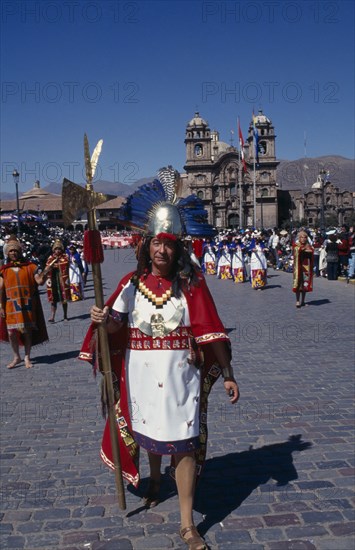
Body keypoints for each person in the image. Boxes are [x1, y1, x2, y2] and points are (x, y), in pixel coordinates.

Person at [80, 169, 239, 550]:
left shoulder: (192, 285)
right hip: (140, 374)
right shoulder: (130, 286)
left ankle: (187, 524)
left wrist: (229, 374)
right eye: (156, 243)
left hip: (181, 378)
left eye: (168, 244)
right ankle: (153, 479)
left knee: (183, 442)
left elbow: (211, 329)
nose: (161, 251)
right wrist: (104, 319)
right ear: (145, 244)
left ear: (178, 247)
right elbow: (116, 324)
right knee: (149, 434)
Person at [0, 238, 48, 369]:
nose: (13, 253)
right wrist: (1, 306)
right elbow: (1, 289)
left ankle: (27, 357)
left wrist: (45, 272)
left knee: (27, 331)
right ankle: (16, 356)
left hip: (27, 304)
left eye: (16, 250)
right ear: (7, 254)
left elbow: (39, 282)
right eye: (11, 251)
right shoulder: (3, 270)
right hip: (11, 305)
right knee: (11, 332)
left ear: (20, 252)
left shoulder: (30, 267)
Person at [44, 239, 71, 322]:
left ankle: (65, 315)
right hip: (53, 280)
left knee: (64, 299)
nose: (57, 251)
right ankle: (52, 316)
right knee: (53, 299)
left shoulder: (65, 256)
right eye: (56, 249)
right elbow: (47, 266)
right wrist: (52, 266)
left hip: (62, 280)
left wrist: (58, 264)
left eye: (59, 249)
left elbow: (66, 263)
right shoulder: (51, 257)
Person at [292, 230, 314, 307]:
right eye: (302, 237)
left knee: (305, 284)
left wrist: (308, 249)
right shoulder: (296, 245)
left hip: (306, 267)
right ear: (299, 238)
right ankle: (297, 301)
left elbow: (311, 250)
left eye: (305, 237)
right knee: (298, 284)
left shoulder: (308, 245)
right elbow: (296, 250)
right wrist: (303, 249)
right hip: (298, 267)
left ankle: (303, 301)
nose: (304, 239)